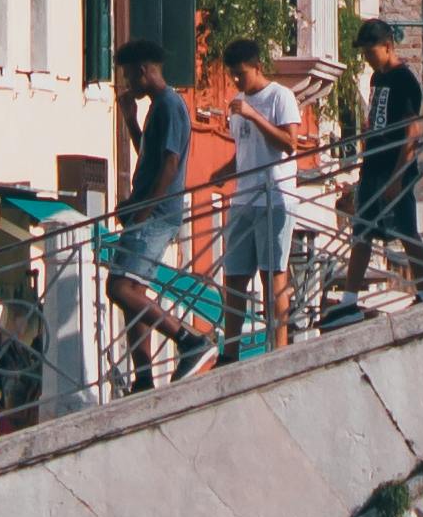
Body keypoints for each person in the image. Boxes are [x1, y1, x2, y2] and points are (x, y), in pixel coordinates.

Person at [107, 40, 199, 386]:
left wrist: (144, 211)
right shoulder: (156, 108)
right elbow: (150, 159)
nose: (128, 83)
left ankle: (188, 340)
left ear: (144, 70)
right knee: (133, 290)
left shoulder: (170, 106)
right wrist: (131, 122)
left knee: (120, 288)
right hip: (146, 211)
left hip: (156, 213)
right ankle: (143, 378)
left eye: (129, 75)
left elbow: (171, 164)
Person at [213, 44, 307, 352]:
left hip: (275, 198)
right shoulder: (237, 103)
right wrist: (224, 172)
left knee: (272, 274)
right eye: (232, 76)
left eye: (240, 74)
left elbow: (290, 143)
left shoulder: (280, 96)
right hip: (243, 199)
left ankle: (277, 346)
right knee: (235, 276)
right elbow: (245, 151)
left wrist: (254, 115)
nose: (236, 82)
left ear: (256, 67)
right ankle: (231, 350)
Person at [333, 23, 423, 309]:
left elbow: (413, 131)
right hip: (372, 166)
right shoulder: (376, 78)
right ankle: (349, 300)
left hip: (393, 168)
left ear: (387, 46)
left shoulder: (405, 81)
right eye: (363, 52)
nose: (366, 57)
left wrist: (398, 176)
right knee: (362, 232)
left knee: (406, 231)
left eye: (370, 51)